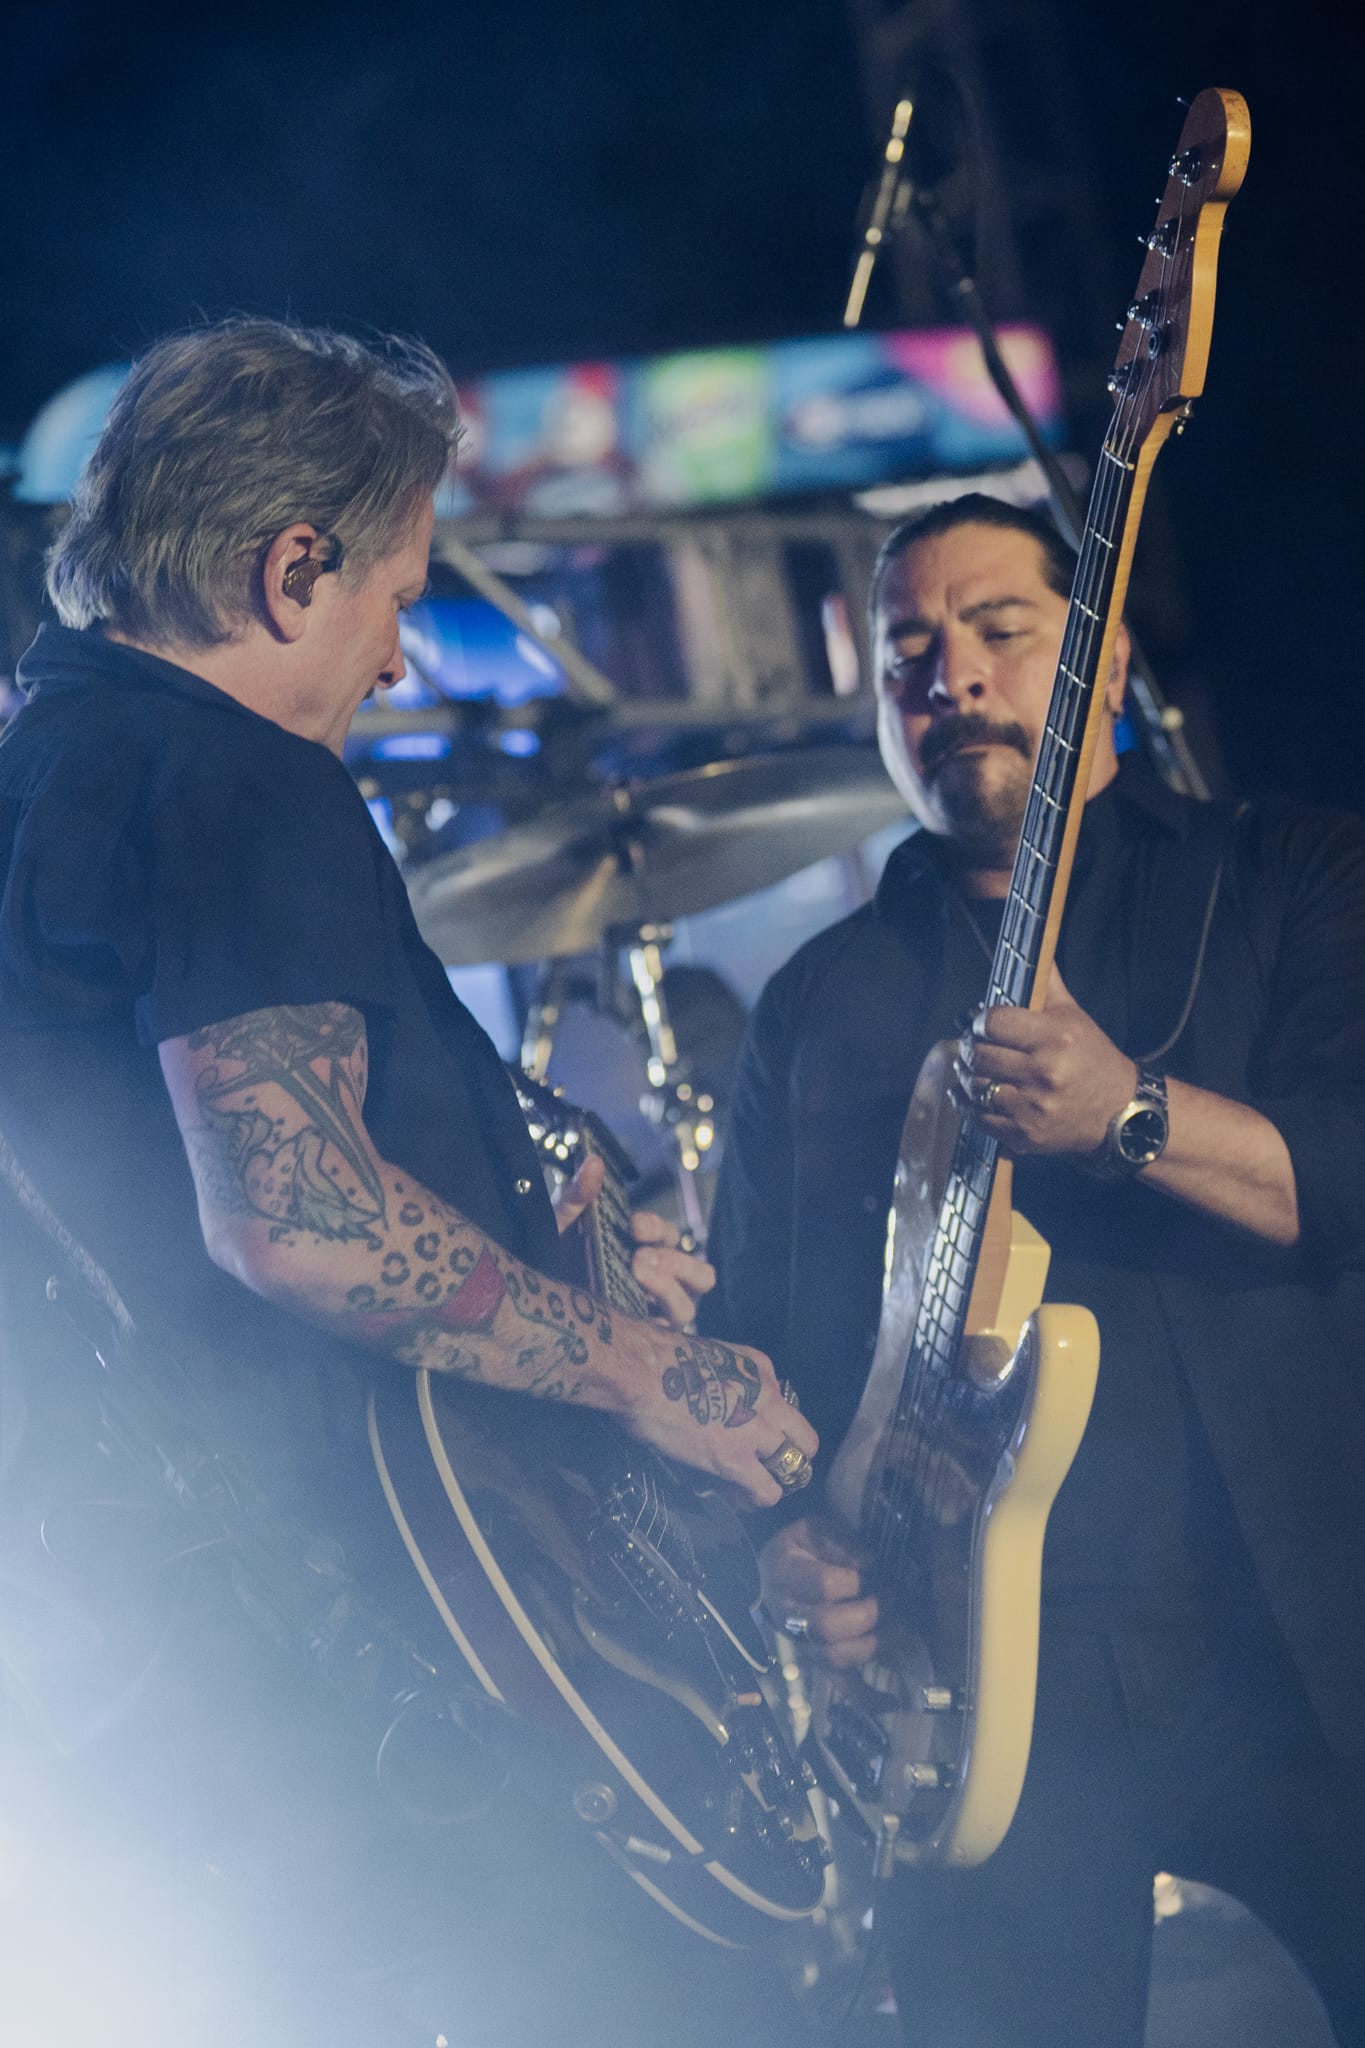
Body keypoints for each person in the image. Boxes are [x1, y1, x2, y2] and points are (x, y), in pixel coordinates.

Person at [0, 317, 817, 2048]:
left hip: (166, 1645)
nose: (391, 663)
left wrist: (562, 1217)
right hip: (371, 1630)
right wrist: (650, 1372)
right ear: (292, 568)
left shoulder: (43, 767)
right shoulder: (239, 778)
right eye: (393, 599)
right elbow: (297, 1218)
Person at [699, 493, 1365, 2046]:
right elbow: (758, 1338)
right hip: (974, 1685)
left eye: (999, 629)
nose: (949, 677)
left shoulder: (1284, 873)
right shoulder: (814, 1002)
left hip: (1299, 1621)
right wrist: (783, 1537)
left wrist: (1131, 1115)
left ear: (1102, 662)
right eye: (905, 654)